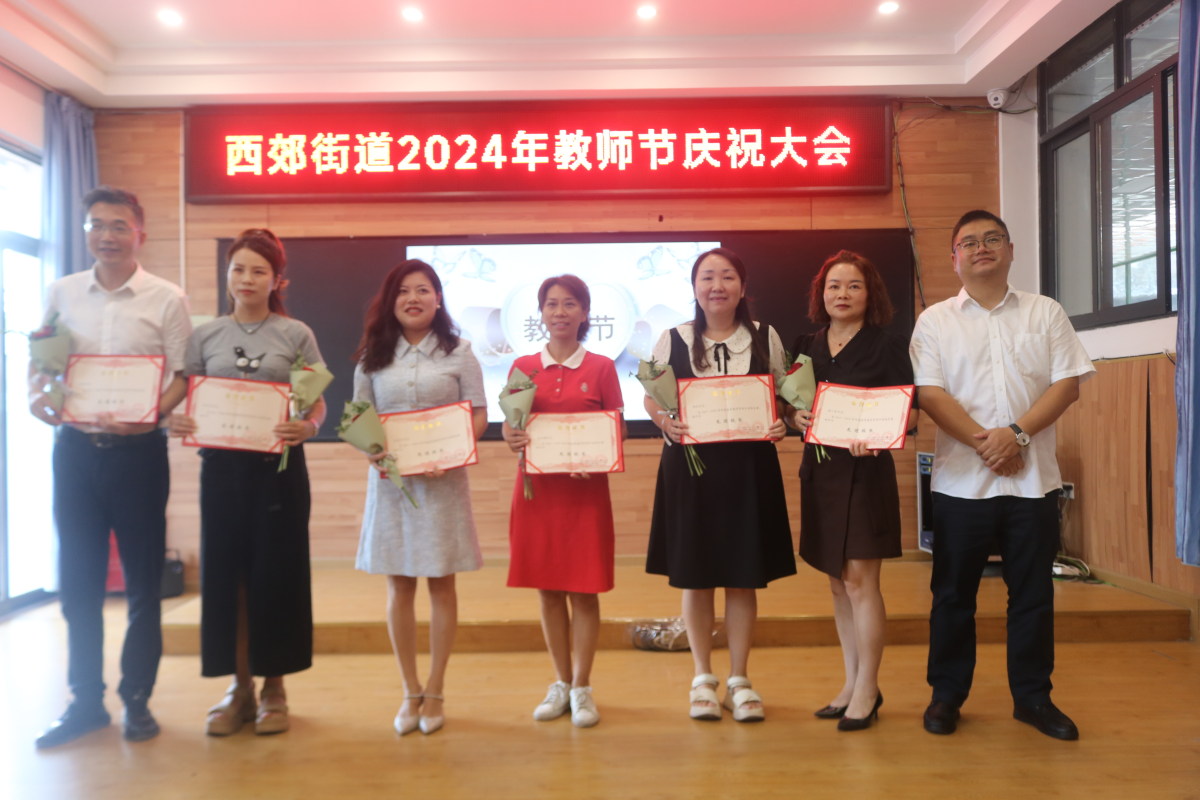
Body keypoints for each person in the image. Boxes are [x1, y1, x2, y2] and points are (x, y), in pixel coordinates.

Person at [910, 210, 1094, 740]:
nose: (981, 248)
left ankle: (1033, 699)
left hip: (1032, 483)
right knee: (952, 596)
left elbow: (1067, 385)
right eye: (968, 242)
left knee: (1033, 594)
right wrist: (987, 444)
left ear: (1011, 250)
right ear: (955, 258)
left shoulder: (1045, 312)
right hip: (960, 485)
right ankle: (946, 695)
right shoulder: (934, 321)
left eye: (993, 239)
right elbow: (930, 394)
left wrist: (1015, 435)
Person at [30, 186, 193, 748]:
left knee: (144, 584)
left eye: (119, 225)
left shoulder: (167, 298)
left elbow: (183, 376)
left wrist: (149, 415)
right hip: (75, 453)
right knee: (79, 584)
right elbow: (43, 361)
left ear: (139, 233)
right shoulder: (61, 291)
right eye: (96, 225)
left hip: (138, 455)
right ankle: (85, 702)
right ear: (86, 232)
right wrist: (36, 395)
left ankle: (137, 700)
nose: (107, 235)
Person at [168, 229, 326, 736]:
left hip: (278, 473)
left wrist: (309, 426)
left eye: (259, 270)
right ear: (228, 274)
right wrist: (177, 420)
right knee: (227, 580)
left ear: (277, 279)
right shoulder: (205, 336)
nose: (247, 278)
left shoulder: (295, 334)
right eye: (239, 268)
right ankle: (239, 689)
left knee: (275, 579)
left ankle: (274, 687)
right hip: (221, 472)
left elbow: (315, 402)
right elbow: (189, 396)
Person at [645, 247, 794, 723]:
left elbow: (784, 398)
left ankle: (739, 679)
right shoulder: (673, 338)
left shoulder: (766, 336)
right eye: (707, 277)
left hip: (749, 470)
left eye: (727, 276)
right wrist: (665, 422)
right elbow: (652, 398)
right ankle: (702, 678)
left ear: (742, 287)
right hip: (691, 472)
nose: (717, 286)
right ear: (694, 287)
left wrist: (781, 421)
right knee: (696, 575)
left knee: (743, 576)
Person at [352, 260, 488, 736]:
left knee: (442, 585)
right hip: (392, 487)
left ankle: (436, 689)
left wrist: (454, 452)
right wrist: (371, 448)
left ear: (438, 298)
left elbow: (478, 414)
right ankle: (410, 690)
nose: (413, 298)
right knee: (400, 587)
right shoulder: (372, 355)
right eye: (403, 291)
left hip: (444, 483)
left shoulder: (460, 352)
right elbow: (360, 416)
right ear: (391, 300)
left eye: (423, 290)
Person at [785, 250, 916, 732]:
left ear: (870, 293)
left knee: (862, 583)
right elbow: (790, 406)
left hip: (865, 476)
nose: (842, 294)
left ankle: (868, 688)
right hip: (820, 477)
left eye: (854, 285)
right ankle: (851, 682)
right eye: (834, 286)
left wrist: (878, 436)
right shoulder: (806, 345)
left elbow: (910, 412)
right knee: (838, 583)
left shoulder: (888, 345)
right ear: (821, 294)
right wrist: (793, 416)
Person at [503, 274, 625, 729]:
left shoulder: (602, 367)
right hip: (538, 494)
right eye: (551, 304)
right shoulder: (522, 366)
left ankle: (582, 687)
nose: (560, 312)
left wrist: (595, 456)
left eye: (570, 303)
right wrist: (511, 436)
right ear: (541, 313)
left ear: (585, 312)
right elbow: (512, 425)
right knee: (548, 589)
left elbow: (617, 428)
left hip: (584, 494)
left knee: (584, 589)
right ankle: (560, 681)